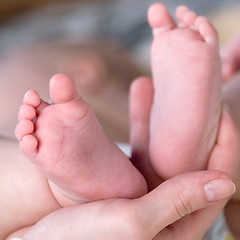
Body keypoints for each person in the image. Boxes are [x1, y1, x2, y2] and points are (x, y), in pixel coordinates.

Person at [1, 2, 239, 239]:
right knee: (229, 139)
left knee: (19, 151)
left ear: (82, 71)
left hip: (55, 223)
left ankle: (55, 191)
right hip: (206, 207)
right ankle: (190, 147)